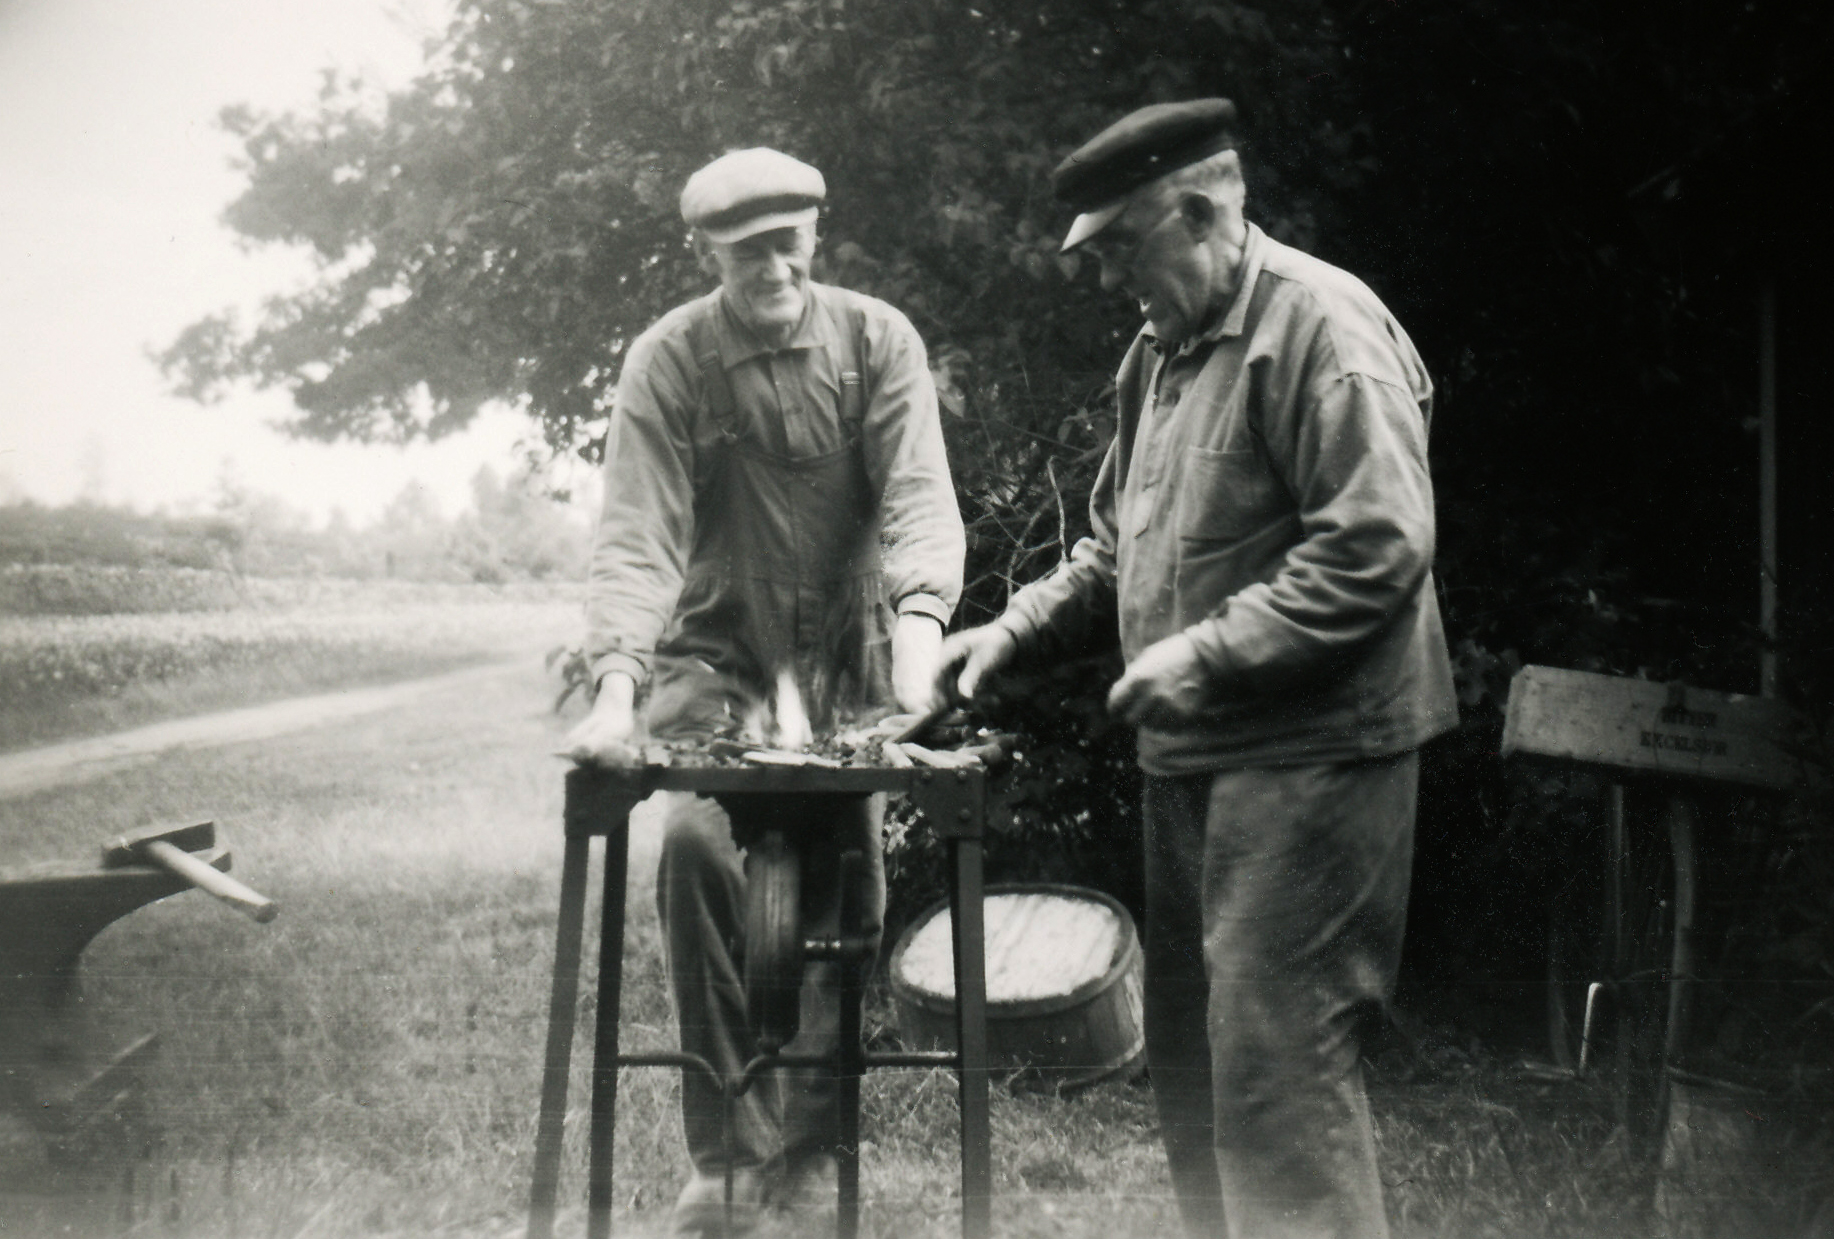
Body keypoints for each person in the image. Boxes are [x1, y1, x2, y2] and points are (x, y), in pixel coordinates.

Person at [937, 99, 1457, 1239]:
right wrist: (1011, 629)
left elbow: (1377, 544)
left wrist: (1207, 653)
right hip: (1192, 764)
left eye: (1124, 242)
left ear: (1204, 207)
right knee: (1190, 1074)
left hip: (1316, 761)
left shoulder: (1321, 326)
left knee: (1277, 1084)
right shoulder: (1156, 357)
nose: (1114, 274)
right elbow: (1117, 542)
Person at [565, 147, 965, 1236]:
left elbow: (919, 498)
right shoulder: (669, 361)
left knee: (849, 901)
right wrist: (614, 690)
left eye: (789, 241)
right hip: (713, 661)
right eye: (746, 250)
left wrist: (921, 637)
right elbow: (637, 536)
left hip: (845, 663)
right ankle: (727, 1166)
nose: (773, 266)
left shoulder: (876, 340)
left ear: (815, 236)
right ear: (707, 253)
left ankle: (808, 1155)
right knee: (697, 852)